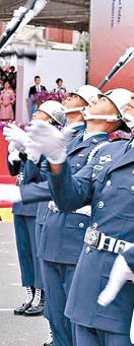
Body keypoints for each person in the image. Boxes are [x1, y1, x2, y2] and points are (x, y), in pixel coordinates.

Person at [2, 63, 134, 346]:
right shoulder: (110, 151)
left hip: (130, 299)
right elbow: (69, 199)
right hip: (87, 290)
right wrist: (57, 161)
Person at [4, 88, 131, 346]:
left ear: (115, 117)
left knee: (78, 327)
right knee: (57, 321)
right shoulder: (71, 141)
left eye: (103, 100)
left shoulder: (109, 148)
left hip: (75, 241)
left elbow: (78, 191)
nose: (95, 101)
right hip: (53, 235)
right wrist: (31, 153)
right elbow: (36, 178)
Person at [2, 101, 65, 327]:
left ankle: (41, 296)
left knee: (37, 254)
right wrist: (16, 155)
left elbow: (35, 176)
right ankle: (30, 294)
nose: (35, 115)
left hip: (36, 203)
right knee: (24, 252)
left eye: (40, 113)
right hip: (22, 203)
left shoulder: (50, 142)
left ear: (51, 120)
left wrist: (29, 151)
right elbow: (16, 173)